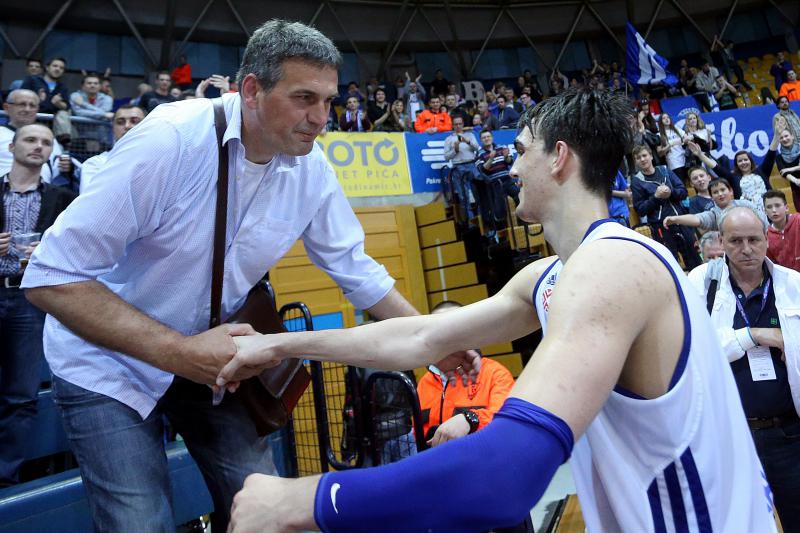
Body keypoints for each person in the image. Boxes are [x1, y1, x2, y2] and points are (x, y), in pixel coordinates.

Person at [219, 87, 776, 533]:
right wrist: (280, 344)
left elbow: (502, 477)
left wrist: (305, 498)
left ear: (559, 158)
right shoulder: (556, 274)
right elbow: (419, 338)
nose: (510, 169)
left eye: (520, 150)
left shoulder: (613, 266)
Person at [21, 20, 474, 533]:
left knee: (268, 511)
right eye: (305, 98)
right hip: (108, 362)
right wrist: (180, 353)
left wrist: (438, 338)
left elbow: (357, 271)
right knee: (139, 521)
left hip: (210, 358)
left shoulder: (313, 169)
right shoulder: (170, 141)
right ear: (252, 89)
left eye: (328, 100)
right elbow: (51, 276)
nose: (320, 118)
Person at [688, 206, 800, 531]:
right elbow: (694, 351)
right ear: (721, 241)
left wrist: (790, 344)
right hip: (730, 433)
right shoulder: (701, 282)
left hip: (790, 434)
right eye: (736, 241)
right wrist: (752, 335)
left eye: (754, 239)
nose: (747, 249)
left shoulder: (793, 284)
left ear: (767, 240)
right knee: (738, 524)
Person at [0, 124, 76, 486]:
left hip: (29, 298)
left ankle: (5, 477)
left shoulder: (62, 199)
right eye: (31, 139)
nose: (39, 146)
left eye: (46, 142)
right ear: (12, 145)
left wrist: (47, 252)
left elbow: (78, 249)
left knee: (21, 394)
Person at [631, 144, 702, 270]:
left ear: (651, 156)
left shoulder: (665, 170)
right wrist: (656, 197)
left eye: (644, 155)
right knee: (671, 265)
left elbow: (683, 192)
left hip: (681, 220)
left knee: (695, 260)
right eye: (638, 158)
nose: (642, 159)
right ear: (635, 161)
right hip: (660, 226)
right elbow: (640, 209)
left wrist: (671, 192)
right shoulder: (637, 181)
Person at [0, 89, 72, 183]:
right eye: (22, 104)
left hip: (42, 193)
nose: (27, 109)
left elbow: (57, 168)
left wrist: (67, 167)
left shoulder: (47, 137)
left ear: (37, 109)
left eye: (32, 105)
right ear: (6, 107)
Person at [79, 105, 145, 193]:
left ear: (147, 125)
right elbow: (90, 203)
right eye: (120, 122)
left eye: (135, 121)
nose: (127, 126)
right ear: (113, 128)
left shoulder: (160, 162)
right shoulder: (95, 164)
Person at [663, 177, 767, 233]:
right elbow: (697, 218)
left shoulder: (745, 204)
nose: (720, 194)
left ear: (731, 191)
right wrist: (675, 219)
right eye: (715, 192)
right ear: (712, 197)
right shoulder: (714, 214)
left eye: (723, 190)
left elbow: (763, 221)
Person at [20, 57, 71, 144]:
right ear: (47, 67)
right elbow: (21, 98)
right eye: (55, 66)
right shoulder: (33, 80)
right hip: (33, 120)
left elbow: (67, 106)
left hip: (53, 125)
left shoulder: (62, 86)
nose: (58, 69)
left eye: (61, 68)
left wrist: (58, 103)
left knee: (63, 113)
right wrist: (37, 99)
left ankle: (64, 140)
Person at [443, 116, 481, 222]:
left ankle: (482, 219)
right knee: (463, 197)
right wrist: (455, 150)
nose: (458, 126)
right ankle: (471, 221)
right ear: (453, 125)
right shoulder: (449, 139)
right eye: (456, 124)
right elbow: (446, 157)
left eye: (460, 123)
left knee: (478, 193)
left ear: (463, 124)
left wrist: (468, 142)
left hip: (472, 165)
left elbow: (477, 148)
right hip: (458, 167)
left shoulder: (470, 135)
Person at [764, 190, 800, 272]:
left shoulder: (798, 220)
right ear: (765, 211)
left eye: (777, 205)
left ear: (786, 208)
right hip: (788, 279)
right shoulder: (766, 236)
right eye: (769, 207)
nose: (774, 210)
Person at [656, 113, 688, 184]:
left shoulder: (677, 129)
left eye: (668, 117)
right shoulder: (659, 135)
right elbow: (660, 153)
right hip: (674, 162)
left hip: (685, 158)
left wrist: (685, 140)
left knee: (691, 182)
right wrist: (670, 145)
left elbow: (687, 138)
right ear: (660, 122)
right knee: (681, 184)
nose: (666, 119)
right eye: (664, 118)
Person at [776, 128, 800, 210]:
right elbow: (783, 172)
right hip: (796, 189)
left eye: (786, 136)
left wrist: (790, 169)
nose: (784, 139)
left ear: (792, 136)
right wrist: (796, 181)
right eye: (781, 138)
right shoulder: (779, 157)